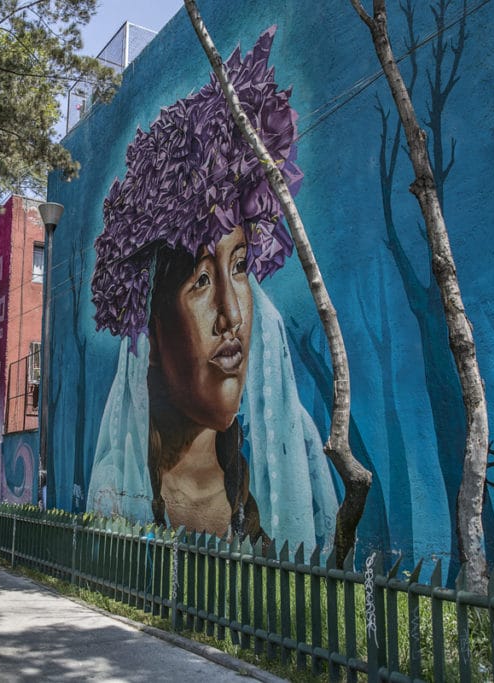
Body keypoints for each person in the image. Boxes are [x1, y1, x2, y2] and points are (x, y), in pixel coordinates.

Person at [87, 27, 338, 552]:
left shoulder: (288, 472)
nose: (232, 315)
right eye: (201, 280)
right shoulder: (118, 489)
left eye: (240, 267)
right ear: (152, 324)